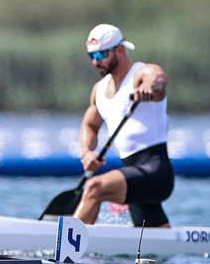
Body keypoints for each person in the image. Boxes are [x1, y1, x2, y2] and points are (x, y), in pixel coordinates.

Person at [74, 23, 173, 227]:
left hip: (155, 172)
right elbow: (90, 126)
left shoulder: (141, 73)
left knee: (94, 188)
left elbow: (159, 80)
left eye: (101, 55)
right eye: (91, 56)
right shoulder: (99, 90)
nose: (95, 62)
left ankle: (65, 249)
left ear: (119, 50)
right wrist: (87, 153)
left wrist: (148, 88)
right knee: (153, 244)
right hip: (133, 175)